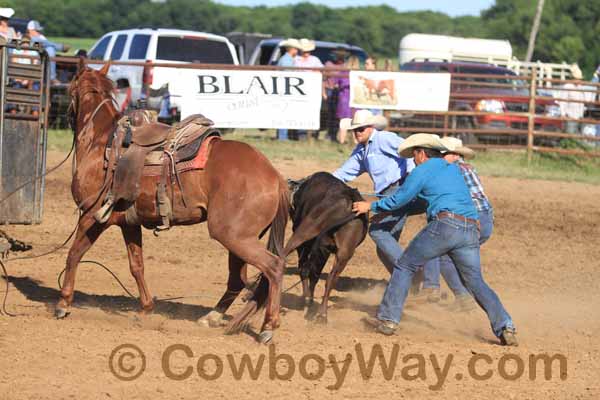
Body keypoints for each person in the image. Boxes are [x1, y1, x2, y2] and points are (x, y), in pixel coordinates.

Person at [352, 133, 517, 346]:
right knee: (475, 281)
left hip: (446, 224)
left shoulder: (422, 170)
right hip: (470, 229)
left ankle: (388, 319)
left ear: (421, 153)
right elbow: (427, 197)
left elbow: (401, 198)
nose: (412, 160)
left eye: (413, 155)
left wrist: (371, 206)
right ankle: (505, 325)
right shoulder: (453, 169)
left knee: (404, 265)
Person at [332, 110, 418, 274]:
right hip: (388, 192)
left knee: (378, 232)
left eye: (361, 129)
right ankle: (406, 281)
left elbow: (409, 151)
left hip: (399, 188)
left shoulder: (384, 138)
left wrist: (411, 178)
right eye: (355, 130)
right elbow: (342, 174)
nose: (357, 133)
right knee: (384, 247)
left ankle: (411, 270)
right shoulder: (361, 151)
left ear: (371, 127)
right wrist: (320, 180)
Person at [420, 137, 492, 312]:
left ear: (451, 155)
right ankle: (465, 296)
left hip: (467, 218)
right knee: (459, 257)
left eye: (440, 154)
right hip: (485, 218)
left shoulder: (452, 170)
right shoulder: (467, 168)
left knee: (438, 249)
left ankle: (442, 290)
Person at [294, 38, 324, 141]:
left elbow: (322, 71)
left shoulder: (315, 60)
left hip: (312, 91)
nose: (306, 53)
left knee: (313, 112)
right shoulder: (296, 60)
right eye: (305, 51)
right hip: (298, 92)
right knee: (300, 112)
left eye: (308, 51)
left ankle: (312, 135)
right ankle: (301, 134)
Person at [275, 38, 301, 141]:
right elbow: (288, 76)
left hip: (283, 90)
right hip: (284, 90)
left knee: (284, 112)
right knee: (284, 113)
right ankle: (282, 137)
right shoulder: (287, 60)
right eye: (296, 48)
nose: (297, 51)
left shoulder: (286, 59)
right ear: (292, 49)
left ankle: (283, 136)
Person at [334, 55, 360, 144]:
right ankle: (356, 141)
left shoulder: (343, 72)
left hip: (344, 99)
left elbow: (336, 84)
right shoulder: (359, 73)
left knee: (343, 121)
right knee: (356, 121)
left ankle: (341, 141)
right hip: (356, 100)